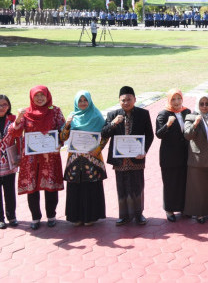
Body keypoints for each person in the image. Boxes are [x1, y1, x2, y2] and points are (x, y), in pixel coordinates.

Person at [8, 86, 65, 230]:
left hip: (49, 157)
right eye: (36, 96)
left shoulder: (55, 111)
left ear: (48, 96)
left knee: (50, 187)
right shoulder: (26, 113)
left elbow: (63, 132)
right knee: (32, 189)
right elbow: (15, 133)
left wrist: (60, 139)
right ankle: (35, 217)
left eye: (42, 95)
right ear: (32, 97)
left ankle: (51, 216)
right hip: (31, 158)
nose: (40, 99)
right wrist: (19, 118)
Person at [102, 86, 154, 225]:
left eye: (129, 99)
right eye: (123, 100)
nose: (126, 102)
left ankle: (139, 215)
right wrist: (113, 123)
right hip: (120, 159)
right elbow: (104, 133)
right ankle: (123, 216)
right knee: (122, 186)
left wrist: (144, 150)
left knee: (137, 186)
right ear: (119, 101)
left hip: (137, 157)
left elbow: (149, 134)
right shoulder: (113, 115)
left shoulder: (143, 114)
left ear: (135, 99)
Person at [60, 91, 107, 226]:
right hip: (74, 159)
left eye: (85, 100)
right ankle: (76, 217)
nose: (82, 103)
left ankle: (91, 216)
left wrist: (98, 149)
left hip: (91, 158)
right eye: (80, 101)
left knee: (90, 187)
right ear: (76, 102)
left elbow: (105, 135)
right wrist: (67, 125)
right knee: (75, 188)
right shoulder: (72, 116)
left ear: (89, 101)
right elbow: (63, 137)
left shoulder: (97, 116)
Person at [183, 94, 208, 224]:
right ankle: (199, 213)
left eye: (207, 103)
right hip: (198, 158)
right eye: (202, 104)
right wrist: (196, 123)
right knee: (199, 188)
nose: (204, 107)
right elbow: (187, 135)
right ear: (197, 105)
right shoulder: (191, 116)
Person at [155, 88, 190, 222]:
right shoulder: (163, 114)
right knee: (170, 183)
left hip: (184, 154)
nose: (176, 102)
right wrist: (168, 124)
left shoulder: (186, 111)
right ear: (169, 100)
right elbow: (159, 134)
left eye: (179, 98)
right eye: (173, 99)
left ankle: (182, 207)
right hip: (169, 155)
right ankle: (169, 210)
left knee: (183, 181)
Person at [0, 95, 19, 228]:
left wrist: (19, 155)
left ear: (9, 105)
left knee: (9, 190)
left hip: (9, 160)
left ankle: (11, 216)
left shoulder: (13, 119)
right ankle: (1, 218)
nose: (2, 108)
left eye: (5, 104)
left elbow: (19, 137)